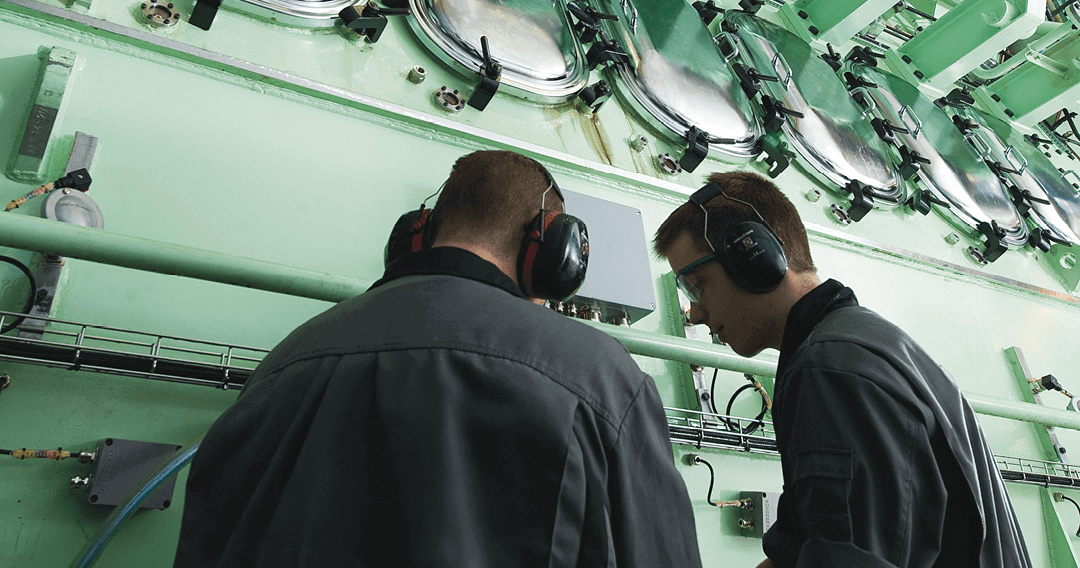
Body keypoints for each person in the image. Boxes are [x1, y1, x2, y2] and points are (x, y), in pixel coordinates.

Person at [173, 149, 703, 568]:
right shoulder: (600, 373)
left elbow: (209, 536)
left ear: (417, 235)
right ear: (547, 251)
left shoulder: (289, 355)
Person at [654, 170, 1031, 568]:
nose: (694, 312)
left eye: (696, 285)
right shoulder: (857, 344)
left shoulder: (828, 370)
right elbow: (803, 547)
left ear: (754, 257)